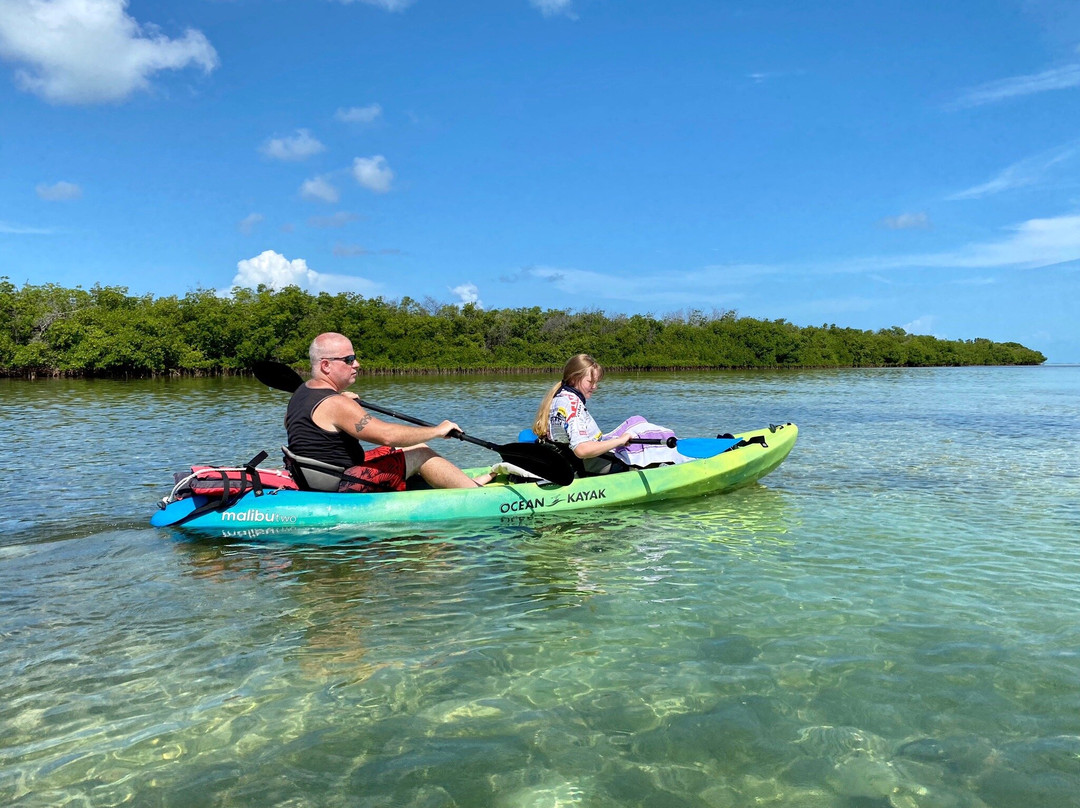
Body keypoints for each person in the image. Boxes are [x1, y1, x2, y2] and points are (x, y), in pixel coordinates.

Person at [285, 333, 494, 491]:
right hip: (342, 485)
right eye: (348, 359)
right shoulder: (336, 404)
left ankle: (466, 483)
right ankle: (478, 495)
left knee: (414, 446)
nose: (357, 364)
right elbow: (387, 436)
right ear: (325, 365)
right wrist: (437, 430)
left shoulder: (303, 392)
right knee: (421, 453)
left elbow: (319, 424)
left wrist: (342, 402)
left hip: (322, 476)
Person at [532, 354, 687, 476]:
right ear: (573, 379)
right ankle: (675, 463)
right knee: (644, 437)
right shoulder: (574, 406)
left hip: (571, 457)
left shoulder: (559, 396)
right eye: (590, 382)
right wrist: (619, 441)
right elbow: (582, 449)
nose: (595, 387)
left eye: (596, 382)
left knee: (637, 421)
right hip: (589, 463)